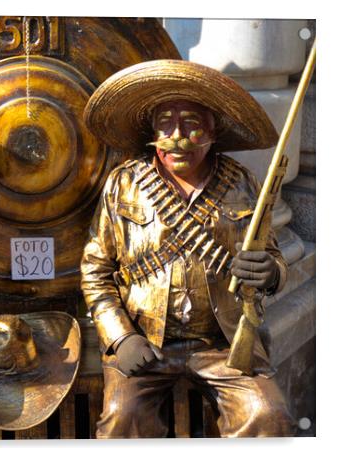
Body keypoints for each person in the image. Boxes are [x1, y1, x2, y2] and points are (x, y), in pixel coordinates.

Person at [81, 59, 295, 437]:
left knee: (268, 414)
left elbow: (273, 255)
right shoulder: (124, 184)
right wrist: (121, 336)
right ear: (152, 134)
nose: (177, 136)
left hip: (222, 342)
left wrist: (271, 272)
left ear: (213, 132)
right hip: (145, 338)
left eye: (192, 125)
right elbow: (96, 272)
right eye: (166, 123)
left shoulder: (241, 182)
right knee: (121, 419)